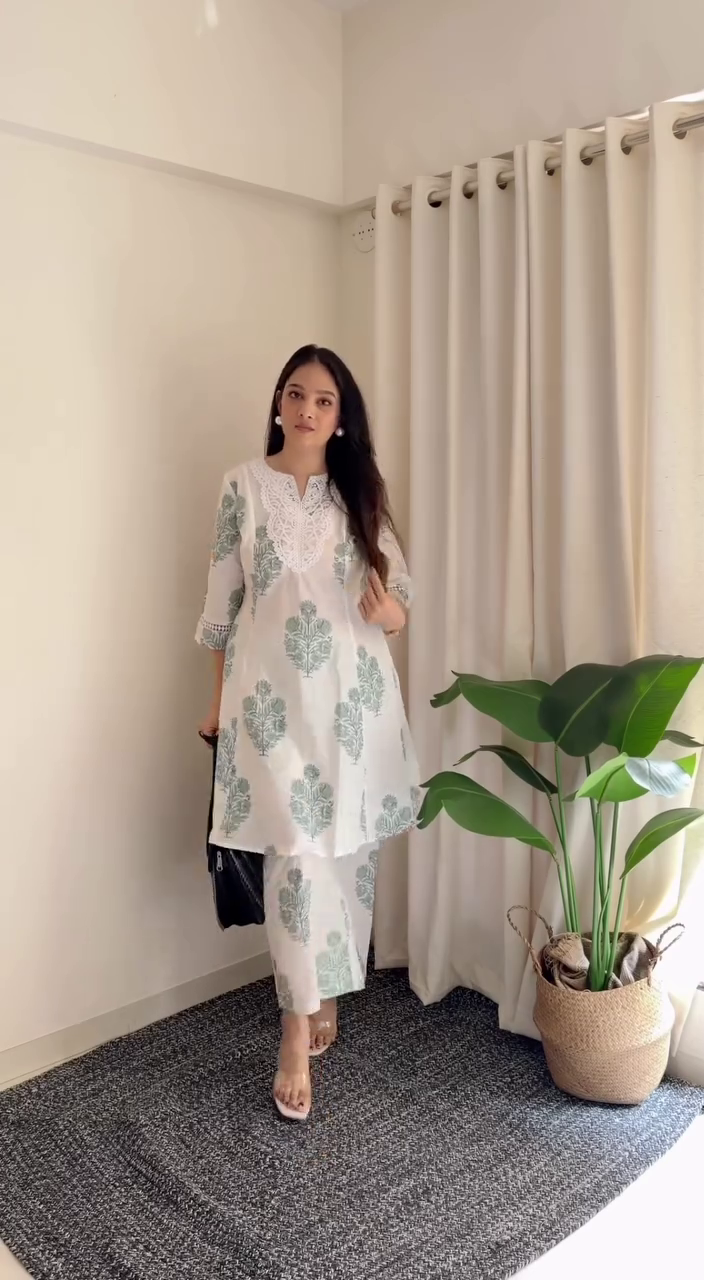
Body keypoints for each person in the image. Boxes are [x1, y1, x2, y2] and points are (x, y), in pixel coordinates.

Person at [196, 345, 420, 1120]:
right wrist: (216, 704)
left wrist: (385, 609)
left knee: (345, 854)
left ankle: (327, 990)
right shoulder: (241, 487)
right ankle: (295, 1029)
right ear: (279, 402)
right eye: (297, 394)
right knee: (292, 853)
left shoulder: (358, 493)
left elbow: (398, 602)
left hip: (351, 704)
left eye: (324, 400)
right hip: (268, 706)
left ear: (341, 417)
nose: (307, 410)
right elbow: (223, 606)